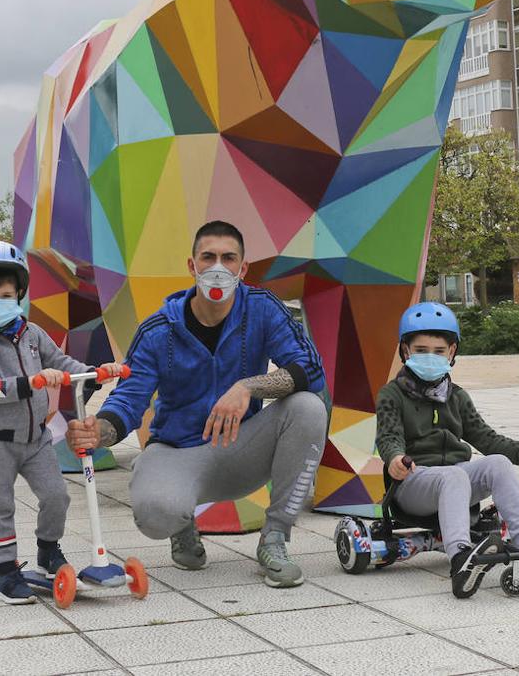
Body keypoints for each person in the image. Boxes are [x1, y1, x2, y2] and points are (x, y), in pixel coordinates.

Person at [67, 221, 328, 588]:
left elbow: (311, 370)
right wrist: (100, 431)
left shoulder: (263, 309)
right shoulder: (158, 330)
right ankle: (180, 521)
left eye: (228, 258)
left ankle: (275, 539)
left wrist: (249, 386)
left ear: (243, 268)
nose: (218, 268)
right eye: (208, 257)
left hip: (241, 449)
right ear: (192, 266)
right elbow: (129, 399)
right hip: (177, 452)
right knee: (156, 514)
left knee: (308, 408)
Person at [0, 239, 125, 604]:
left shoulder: (31, 334)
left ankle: (48, 549)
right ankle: (5, 572)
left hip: (36, 439)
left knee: (57, 496)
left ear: (18, 292)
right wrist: (30, 382)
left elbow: (63, 363)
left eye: (5, 292)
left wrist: (97, 373)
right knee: (0, 506)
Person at [375, 302, 519, 598]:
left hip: (453, 481)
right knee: (454, 476)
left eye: (438, 351)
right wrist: (394, 458)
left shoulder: (457, 397)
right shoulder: (391, 395)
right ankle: (460, 557)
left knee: (496, 463)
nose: (429, 357)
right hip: (412, 483)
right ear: (405, 351)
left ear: (452, 352)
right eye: (420, 350)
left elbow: (489, 439)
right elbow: (389, 435)